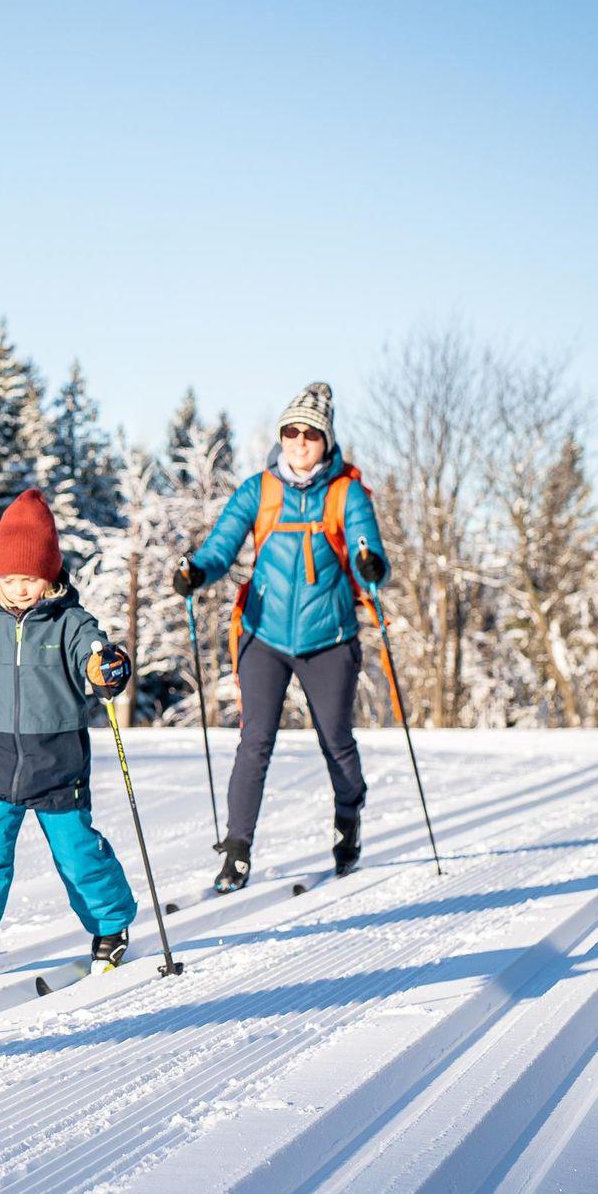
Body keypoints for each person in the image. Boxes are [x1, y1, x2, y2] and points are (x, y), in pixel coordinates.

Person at [173, 381, 390, 889]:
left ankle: (348, 818)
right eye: (291, 432)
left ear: (326, 441)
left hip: (329, 636)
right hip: (264, 633)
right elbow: (221, 547)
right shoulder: (259, 490)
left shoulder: (345, 492)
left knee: (336, 740)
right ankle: (237, 851)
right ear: (281, 436)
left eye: (310, 434)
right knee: (254, 741)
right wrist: (197, 571)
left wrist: (370, 563)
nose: (299, 442)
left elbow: (367, 544)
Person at [0, 489, 139, 986]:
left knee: (79, 855)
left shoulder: (71, 622)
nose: (19, 589)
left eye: (30, 579)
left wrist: (105, 667)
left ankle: (111, 925)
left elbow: (95, 655)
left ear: (50, 574)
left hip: (58, 762)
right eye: (9, 579)